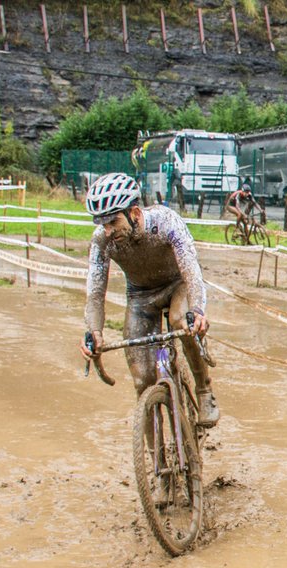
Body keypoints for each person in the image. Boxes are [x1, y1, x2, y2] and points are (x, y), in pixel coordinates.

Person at [80, 172, 219, 428]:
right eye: (102, 224)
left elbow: (191, 271)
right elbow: (95, 292)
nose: (108, 231)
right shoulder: (101, 240)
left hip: (176, 285)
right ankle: (152, 450)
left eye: (113, 222)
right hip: (140, 296)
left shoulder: (165, 221)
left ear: (134, 213)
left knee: (180, 320)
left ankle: (204, 389)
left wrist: (198, 310)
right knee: (142, 380)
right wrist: (94, 332)